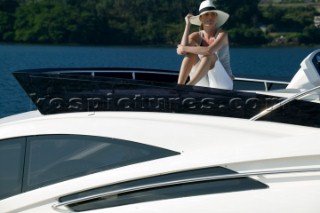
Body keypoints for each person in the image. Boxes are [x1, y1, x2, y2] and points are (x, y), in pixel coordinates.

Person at [177, 0, 234, 90]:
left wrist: (184, 48)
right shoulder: (196, 35)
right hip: (204, 82)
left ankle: (187, 88)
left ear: (216, 17)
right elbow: (181, 51)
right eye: (206, 15)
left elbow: (209, 50)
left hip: (223, 83)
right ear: (201, 18)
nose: (210, 17)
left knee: (209, 56)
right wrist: (188, 24)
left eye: (213, 14)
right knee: (190, 54)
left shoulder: (222, 34)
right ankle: (179, 88)